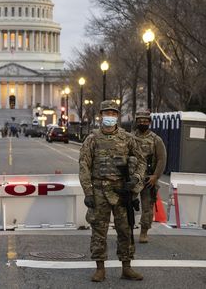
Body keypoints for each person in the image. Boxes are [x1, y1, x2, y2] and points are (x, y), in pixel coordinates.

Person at [79, 100, 145, 282]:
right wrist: (88, 193)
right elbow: (84, 165)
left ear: (117, 116)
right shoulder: (92, 139)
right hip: (100, 190)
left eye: (113, 113)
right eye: (107, 113)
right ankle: (100, 268)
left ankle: (127, 267)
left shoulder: (128, 138)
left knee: (126, 229)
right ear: (101, 115)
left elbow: (141, 161)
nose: (110, 116)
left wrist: (135, 181)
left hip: (122, 190)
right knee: (99, 230)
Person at [132, 109, 167, 244]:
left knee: (147, 207)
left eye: (145, 121)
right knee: (127, 205)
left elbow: (161, 159)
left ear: (149, 122)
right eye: (140, 120)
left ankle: (144, 232)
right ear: (136, 122)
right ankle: (128, 230)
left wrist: (155, 176)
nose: (142, 122)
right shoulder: (130, 138)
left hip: (148, 178)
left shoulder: (156, 140)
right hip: (133, 178)